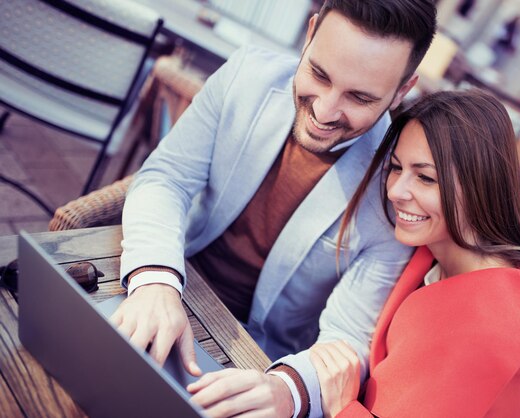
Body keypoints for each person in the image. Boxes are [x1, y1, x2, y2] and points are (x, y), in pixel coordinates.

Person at [114, 0, 437, 416]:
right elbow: (166, 178)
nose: (323, 111)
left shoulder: (397, 189)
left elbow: (351, 337)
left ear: (402, 90)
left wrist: (287, 390)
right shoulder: (246, 75)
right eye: (319, 73)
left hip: (260, 362)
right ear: (311, 33)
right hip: (168, 282)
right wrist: (155, 278)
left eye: (359, 97)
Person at [309, 89, 520, 417]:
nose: (395, 191)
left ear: (481, 185)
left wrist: (342, 406)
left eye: (425, 178)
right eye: (396, 167)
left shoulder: (490, 323)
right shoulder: (434, 249)